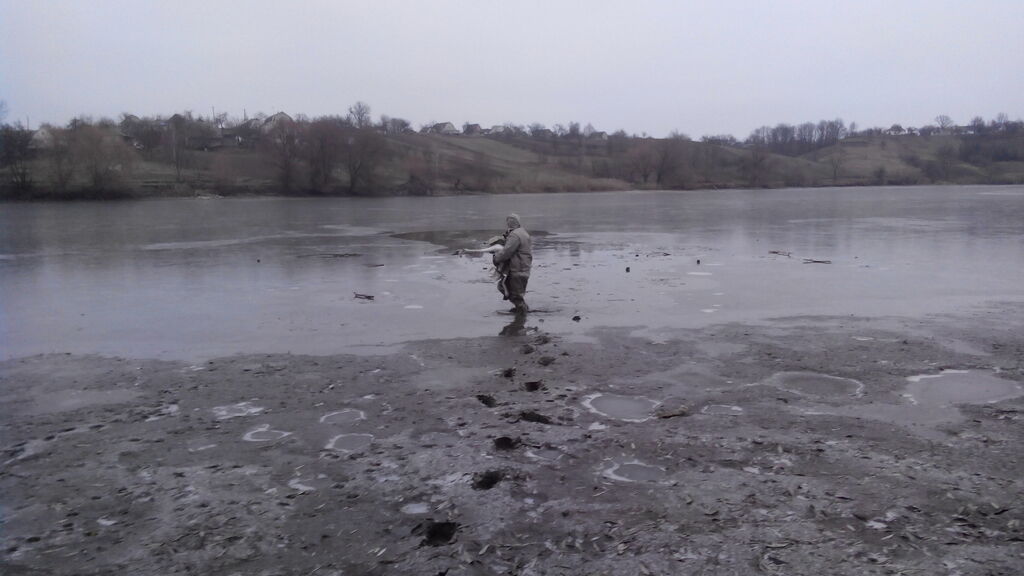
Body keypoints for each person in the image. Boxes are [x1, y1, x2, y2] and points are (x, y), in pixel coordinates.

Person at [492, 213, 532, 314]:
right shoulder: (522, 232)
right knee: (507, 288)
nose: (509, 222)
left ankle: (522, 314)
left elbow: (507, 252)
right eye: (508, 220)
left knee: (511, 292)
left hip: (518, 268)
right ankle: (521, 310)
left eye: (510, 220)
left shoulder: (515, 235)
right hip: (523, 267)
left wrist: (496, 258)